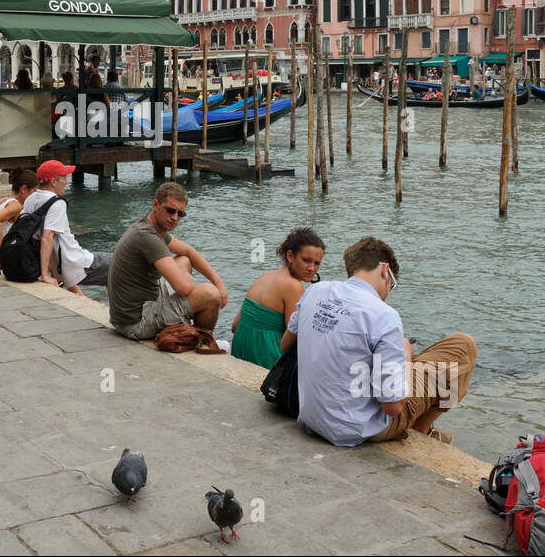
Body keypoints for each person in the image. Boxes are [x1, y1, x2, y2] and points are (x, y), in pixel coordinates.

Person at [285, 236, 476, 447]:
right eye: (391, 285)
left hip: (312, 417)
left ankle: (422, 426)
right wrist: (405, 357)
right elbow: (392, 407)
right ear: (385, 271)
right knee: (463, 346)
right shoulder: (384, 315)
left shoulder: (315, 291)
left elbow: (285, 345)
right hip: (358, 428)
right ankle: (421, 429)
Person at [107, 181, 227, 340]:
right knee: (210, 294)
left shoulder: (150, 228)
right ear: (155, 204)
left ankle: (187, 323)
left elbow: (188, 251)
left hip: (134, 310)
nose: (175, 218)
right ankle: (203, 340)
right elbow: (184, 287)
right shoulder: (148, 237)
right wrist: (189, 278)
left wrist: (218, 281)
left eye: (180, 214)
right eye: (170, 211)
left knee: (184, 260)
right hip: (136, 323)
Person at [231, 228, 324, 369]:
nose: (311, 268)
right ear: (290, 256)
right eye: (306, 261)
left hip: (239, 352)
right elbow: (293, 340)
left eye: (316, 263)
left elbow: (235, 326)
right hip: (265, 360)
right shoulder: (293, 286)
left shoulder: (266, 276)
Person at [20, 160, 112, 296]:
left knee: (114, 273)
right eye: (64, 177)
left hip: (62, 267)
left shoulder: (30, 199)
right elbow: (47, 237)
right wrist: (45, 276)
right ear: (53, 181)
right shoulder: (57, 203)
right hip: (77, 262)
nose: (67, 182)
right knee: (122, 263)